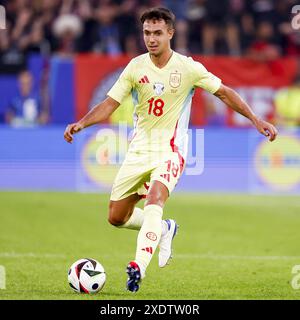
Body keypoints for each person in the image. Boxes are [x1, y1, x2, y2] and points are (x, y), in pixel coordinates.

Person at [64, 7, 278, 292]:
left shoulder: (188, 68)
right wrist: (82, 123)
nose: (151, 39)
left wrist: (256, 119)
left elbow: (225, 92)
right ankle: (164, 230)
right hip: (139, 149)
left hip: (171, 150)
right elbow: (109, 104)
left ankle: (137, 265)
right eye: (147, 33)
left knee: (155, 200)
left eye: (157, 33)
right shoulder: (135, 67)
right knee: (116, 217)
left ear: (170, 34)